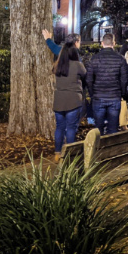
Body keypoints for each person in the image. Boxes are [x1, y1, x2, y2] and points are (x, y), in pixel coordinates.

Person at [42, 29, 93, 124]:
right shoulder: (75, 55)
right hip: (75, 91)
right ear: (76, 42)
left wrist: (48, 39)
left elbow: (54, 48)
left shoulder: (62, 52)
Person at [85, 33, 128, 135]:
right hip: (114, 96)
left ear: (102, 43)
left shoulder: (94, 59)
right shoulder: (120, 59)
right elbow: (124, 80)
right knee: (113, 128)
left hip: (98, 96)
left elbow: (89, 79)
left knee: (98, 128)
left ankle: (99, 149)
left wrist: (92, 94)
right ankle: (111, 149)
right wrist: (122, 93)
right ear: (114, 43)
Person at [52, 35, 86, 163]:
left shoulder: (57, 66)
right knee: (71, 128)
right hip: (73, 100)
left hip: (59, 101)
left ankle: (57, 153)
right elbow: (85, 76)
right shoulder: (78, 65)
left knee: (59, 127)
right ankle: (70, 154)